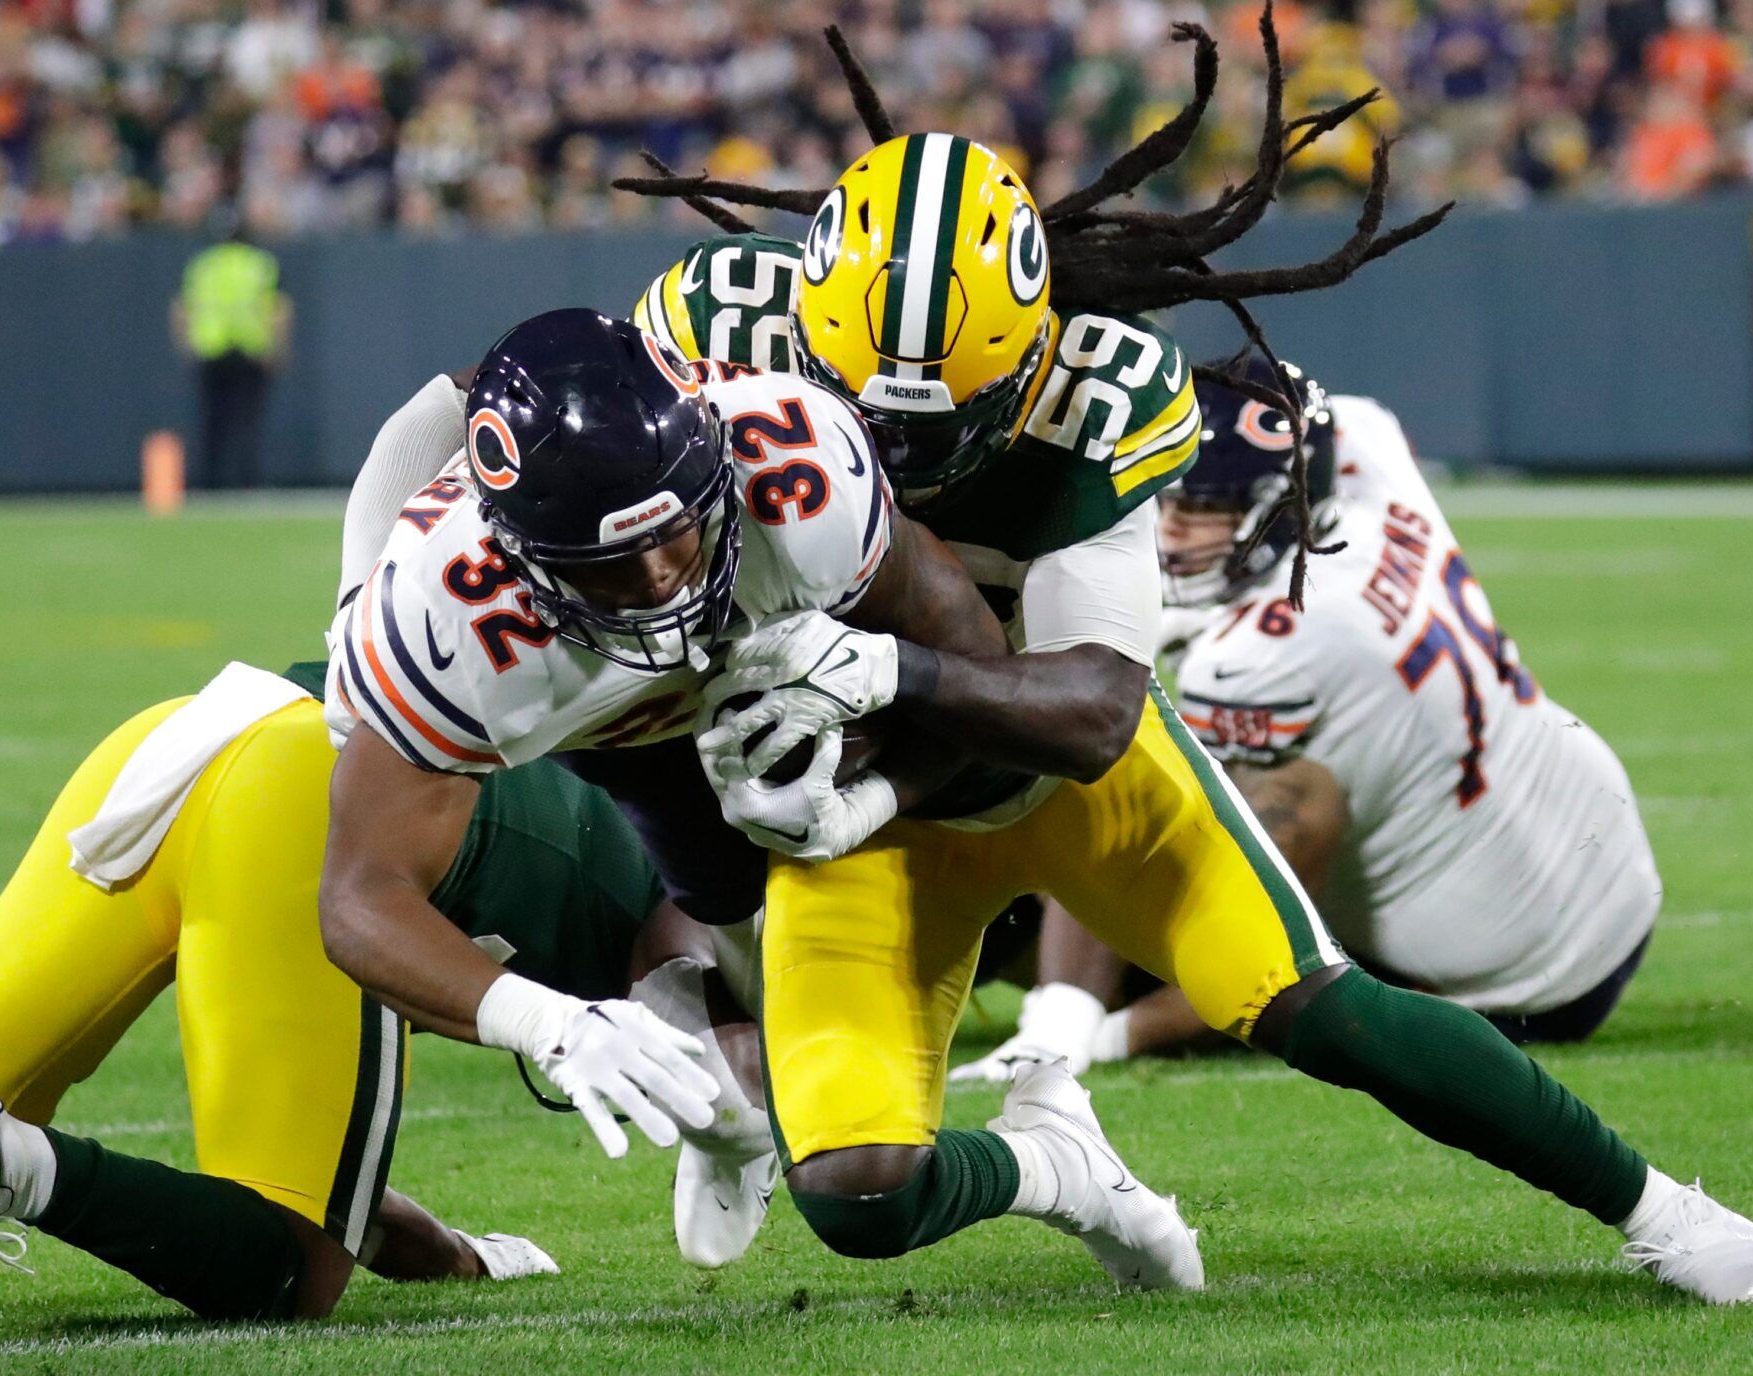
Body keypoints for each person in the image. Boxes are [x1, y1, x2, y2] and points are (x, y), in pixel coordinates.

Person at [623, 25, 1753, 1304]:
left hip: (1061, 779)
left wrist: (873, 679)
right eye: (861, 407)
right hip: (858, 822)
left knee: (1316, 1007)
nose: (896, 453)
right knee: (855, 1196)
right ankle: (1055, 1164)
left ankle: (1658, 1204)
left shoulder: (1104, 391)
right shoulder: (709, 326)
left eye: (944, 419)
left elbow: (1091, 711)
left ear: (1030, 352)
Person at [316, 307, 1203, 1292]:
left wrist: (868, 792)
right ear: (520, 551)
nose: (659, 579)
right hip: (585, 701)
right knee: (695, 945)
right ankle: (739, 1110)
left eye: (677, 529)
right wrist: (547, 1025)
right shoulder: (444, 613)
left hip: (764, 668)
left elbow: (969, 667)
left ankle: (776, 1102)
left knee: (802, 1046)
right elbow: (359, 896)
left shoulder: (791, 459)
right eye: (615, 560)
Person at [0, 660, 739, 1322]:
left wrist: (458, 1257)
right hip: (300, 807)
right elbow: (685, 971)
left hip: (187, 737)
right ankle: (13, 1161)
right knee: (287, 1270)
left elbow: (345, 1196)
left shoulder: (632, 771)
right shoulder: (706, 892)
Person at [950, 359, 1662, 1080]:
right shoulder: (1363, 453)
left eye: (1211, 511)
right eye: (1170, 502)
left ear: (1285, 507)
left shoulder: (1263, 650)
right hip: (1599, 870)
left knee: (1089, 784)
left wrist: (1094, 1032)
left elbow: (1127, 790)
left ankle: (1080, 1029)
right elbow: (1342, 414)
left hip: (1494, 984)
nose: (1175, 531)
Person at [172, 229, 292, 489]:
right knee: (247, 419)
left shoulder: (203, 264)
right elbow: (279, 309)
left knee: (212, 419)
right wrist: (278, 347)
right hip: (250, 349)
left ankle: (210, 481)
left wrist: (185, 345)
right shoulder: (259, 263)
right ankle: (246, 479)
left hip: (211, 348)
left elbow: (181, 308)